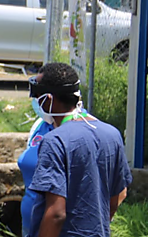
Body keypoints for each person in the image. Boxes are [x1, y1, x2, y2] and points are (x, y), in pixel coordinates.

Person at [27, 62, 132, 237]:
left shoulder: (55, 141)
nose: (36, 101)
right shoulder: (112, 134)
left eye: (37, 96)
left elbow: (56, 214)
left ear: (48, 101)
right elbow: (119, 194)